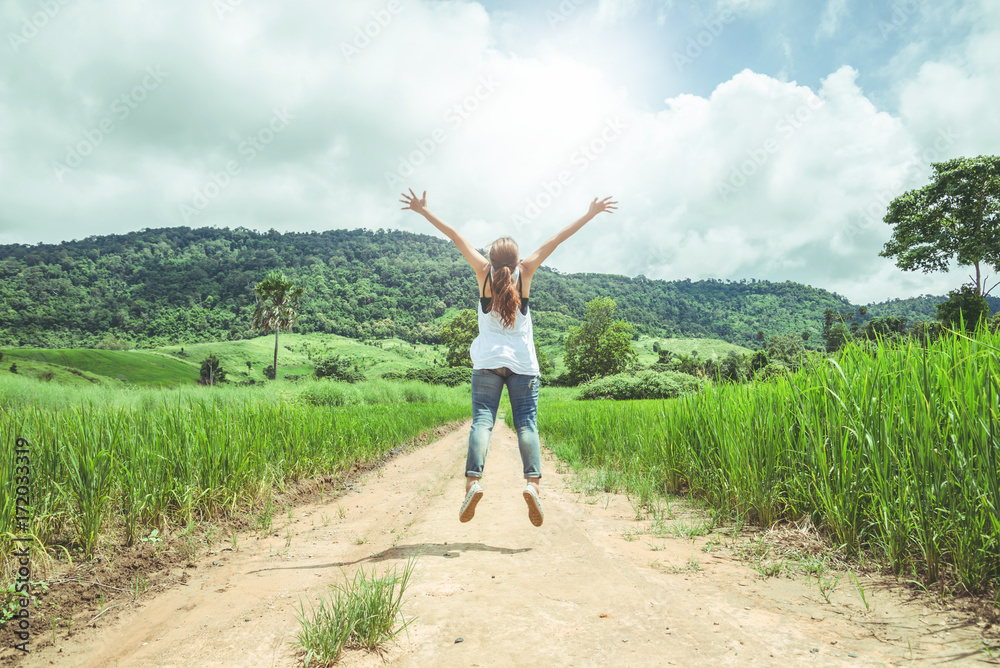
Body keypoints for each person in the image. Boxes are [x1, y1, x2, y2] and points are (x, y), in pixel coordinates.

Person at [400, 188, 618, 526]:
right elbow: (556, 239)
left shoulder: (483, 272)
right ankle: (533, 485)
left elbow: (456, 237)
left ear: (492, 257)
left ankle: (473, 482)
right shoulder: (526, 271)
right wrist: (589, 214)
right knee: (526, 424)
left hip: (487, 363)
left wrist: (424, 212)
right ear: (516, 261)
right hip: (524, 366)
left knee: (483, 422)